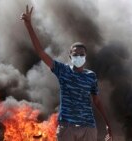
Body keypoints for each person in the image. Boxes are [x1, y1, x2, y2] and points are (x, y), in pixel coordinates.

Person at [20, 6, 112, 141]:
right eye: (75, 54)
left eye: (82, 54)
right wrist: (29, 26)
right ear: (70, 56)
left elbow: (97, 101)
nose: (79, 57)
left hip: (89, 128)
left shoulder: (91, 76)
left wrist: (108, 124)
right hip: (67, 128)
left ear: (85, 57)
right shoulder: (62, 70)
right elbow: (41, 52)